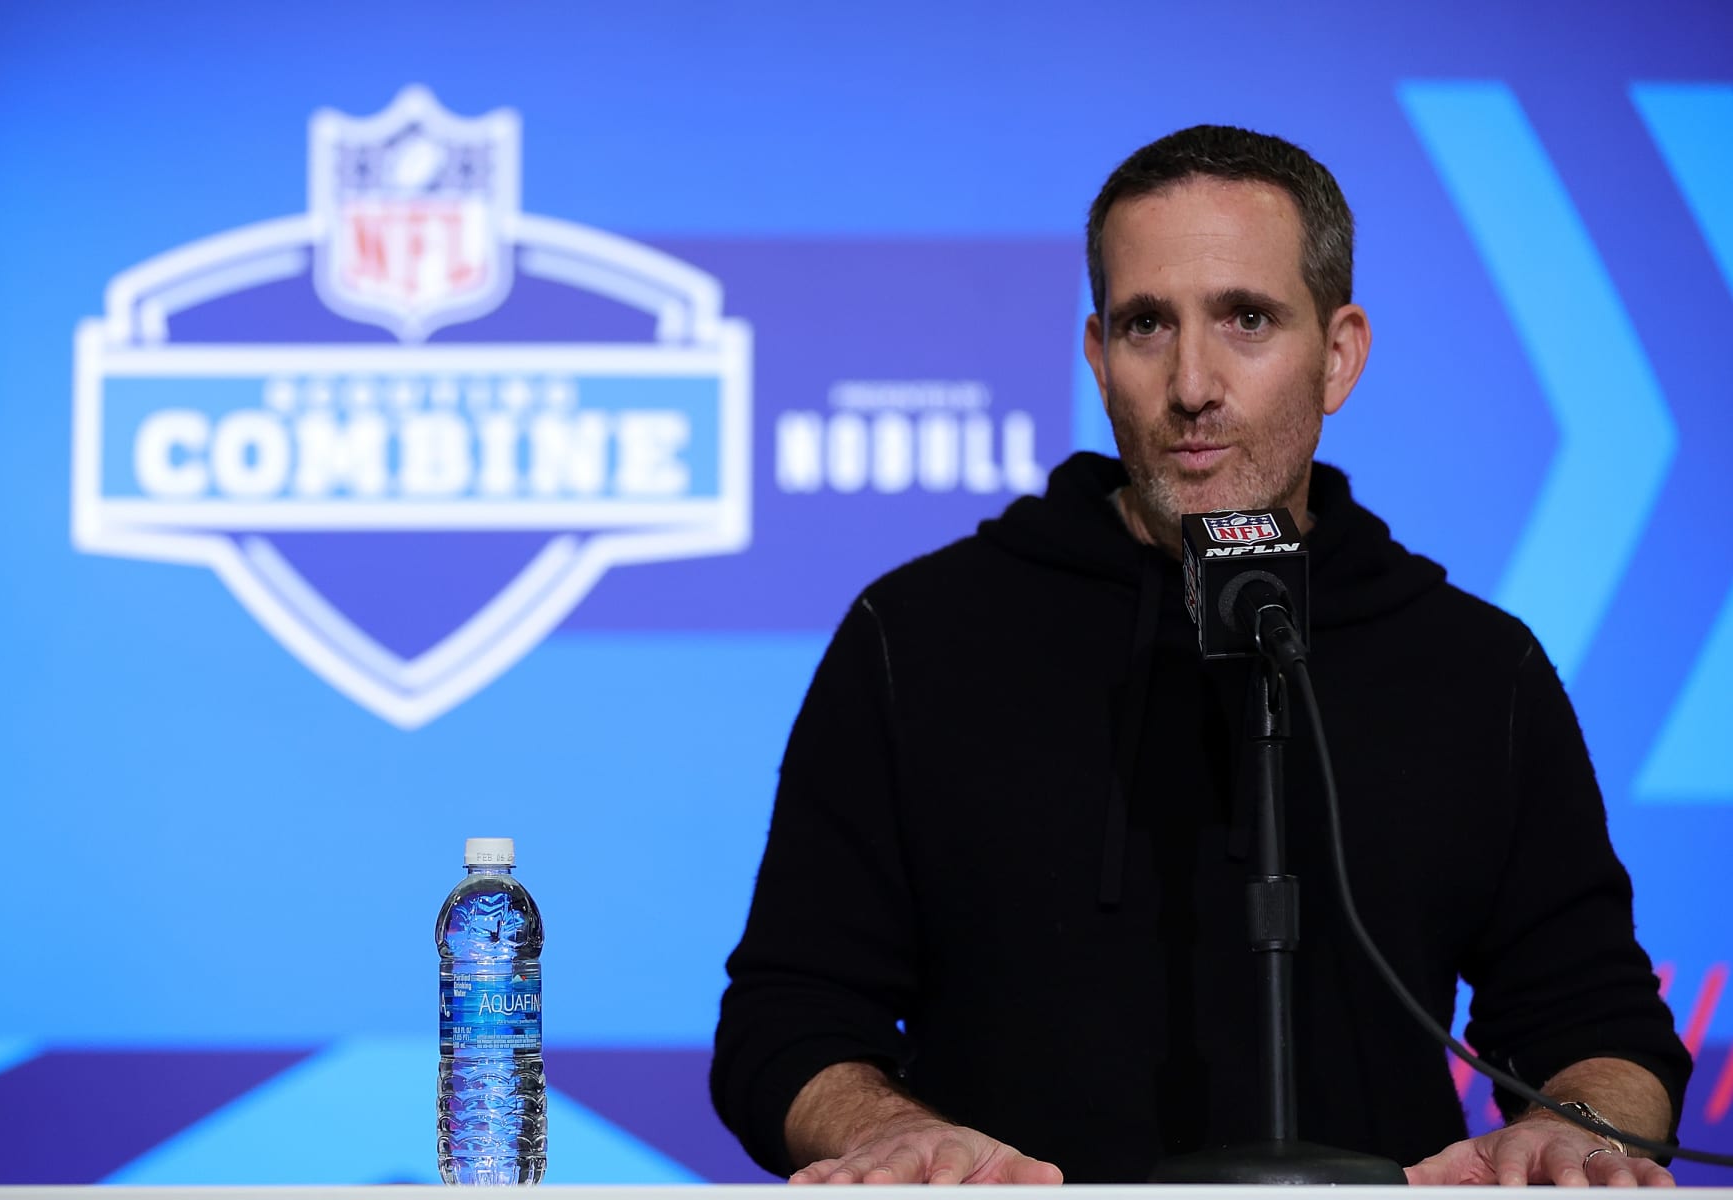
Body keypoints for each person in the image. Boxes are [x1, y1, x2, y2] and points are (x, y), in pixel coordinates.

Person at [709, 125, 1691, 1187]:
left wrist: (1577, 1128)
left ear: (1341, 354)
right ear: (1097, 355)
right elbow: (786, 1021)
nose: (1191, 384)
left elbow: (1600, 1025)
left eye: (1247, 319)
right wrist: (883, 1132)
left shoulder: (1474, 665)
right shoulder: (916, 636)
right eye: (1146, 325)